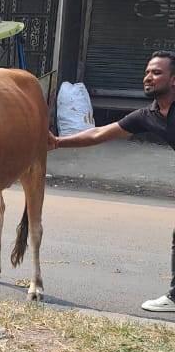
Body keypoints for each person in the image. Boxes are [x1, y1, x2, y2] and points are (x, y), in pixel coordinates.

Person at [49, 50, 175, 314]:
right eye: (147, 72)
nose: (148, 77)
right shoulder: (148, 115)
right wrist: (58, 142)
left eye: (157, 72)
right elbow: (99, 133)